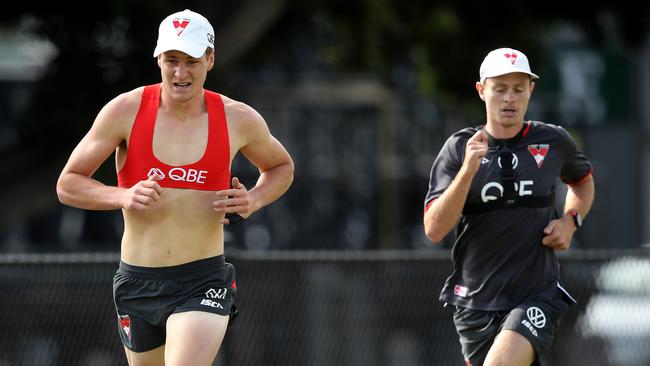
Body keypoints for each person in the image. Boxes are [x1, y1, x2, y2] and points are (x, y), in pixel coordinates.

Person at [56, 9, 294, 366]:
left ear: (210, 60)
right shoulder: (125, 110)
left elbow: (281, 166)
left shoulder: (237, 118)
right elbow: (68, 184)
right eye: (172, 61)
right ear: (158, 58)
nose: (181, 73)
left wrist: (254, 199)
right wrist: (122, 194)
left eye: (192, 62)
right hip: (137, 281)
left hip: (203, 280)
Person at [423, 47, 595, 366]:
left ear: (530, 90)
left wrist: (571, 220)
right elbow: (434, 229)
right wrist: (467, 172)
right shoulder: (459, 149)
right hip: (475, 302)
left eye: (518, 89)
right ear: (481, 90)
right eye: (500, 89)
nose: (509, 99)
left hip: (536, 294)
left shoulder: (554, 141)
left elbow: (582, 182)